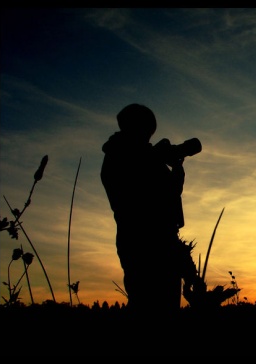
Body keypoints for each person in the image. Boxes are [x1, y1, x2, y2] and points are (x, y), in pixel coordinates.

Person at [101, 103, 194, 318]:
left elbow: (167, 191)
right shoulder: (128, 155)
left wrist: (174, 165)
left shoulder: (122, 153)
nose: (148, 136)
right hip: (150, 241)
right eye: (146, 130)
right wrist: (165, 161)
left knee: (149, 302)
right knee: (156, 305)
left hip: (142, 238)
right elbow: (164, 191)